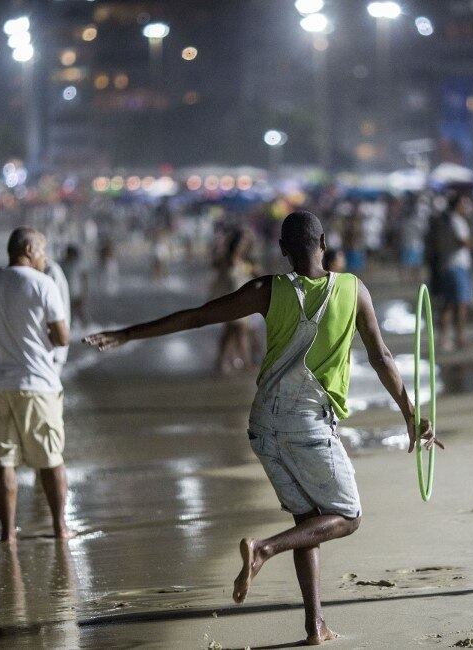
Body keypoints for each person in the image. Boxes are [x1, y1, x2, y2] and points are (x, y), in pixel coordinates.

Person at [84, 211, 442, 644]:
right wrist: (409, 413)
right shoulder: (353, 289)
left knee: (307, 521)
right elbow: (382, 357)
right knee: (346, 516)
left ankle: (315, 626)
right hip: (306, 422)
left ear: (284, 252)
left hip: (263, 424)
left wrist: (126, 334)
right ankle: (264, 549)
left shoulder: (267, 290)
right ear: (324, 242)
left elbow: (198, 316)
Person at [0, 227, 72, 542]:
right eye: (42, 251)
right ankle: (59, 526)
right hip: (37, 381)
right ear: (28, 248)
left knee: (3, 460)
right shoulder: (44, 284)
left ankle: (7, 532)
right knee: (51, 459)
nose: (45, 258)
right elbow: (62, 337)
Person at [438, 192, 473, 351]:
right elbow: (464, 242)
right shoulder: (456, 220)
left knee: (449, 303)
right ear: (457, 205)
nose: (466, 207)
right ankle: (459, 339)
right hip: (457, 265)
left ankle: (444, 339)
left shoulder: (451, 220)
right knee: (460, 304)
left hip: (452, 265)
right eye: (463, 204)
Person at [212, 229, 256, 373]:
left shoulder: (245, 261)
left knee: (231, 332)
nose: (242, 247)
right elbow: (217, 274)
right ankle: (246, 362)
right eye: (240, 244)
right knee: (238, 331)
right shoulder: (225, 260)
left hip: (244, 301)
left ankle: (222, 360)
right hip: (231, 301)